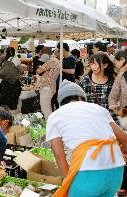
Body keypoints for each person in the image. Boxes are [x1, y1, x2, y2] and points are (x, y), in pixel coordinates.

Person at [46, 80, 127, 197]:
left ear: (61, 102)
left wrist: (67, 180)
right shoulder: (98, 109)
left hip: (88, 172)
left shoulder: (55, 116)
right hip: (116, 170)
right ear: (80, 97)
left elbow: (59, 155)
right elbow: (124, 139)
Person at [109, 50, 127, 196]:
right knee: (125, 150)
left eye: (119, 60)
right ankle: (124, 184)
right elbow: (112, 97)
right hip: (125, 119)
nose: (116, 62)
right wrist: (114, 105)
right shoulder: (120, 77)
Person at [35, 49, 60, 119]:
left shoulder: (51, 61)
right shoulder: (57, 61)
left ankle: (50, 126)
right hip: (51, 86)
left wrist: (41, 67)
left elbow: (38, 71)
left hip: (46, 87)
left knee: (45, 109)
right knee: (47, 108)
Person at [0, 47, 22, 112]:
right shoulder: (16, 59)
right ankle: (12, 116)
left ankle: (3, 115)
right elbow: (21, 70)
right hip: (13, 83)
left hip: (4, 83)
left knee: (3, 101)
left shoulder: (5, 60)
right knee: (13, 102)